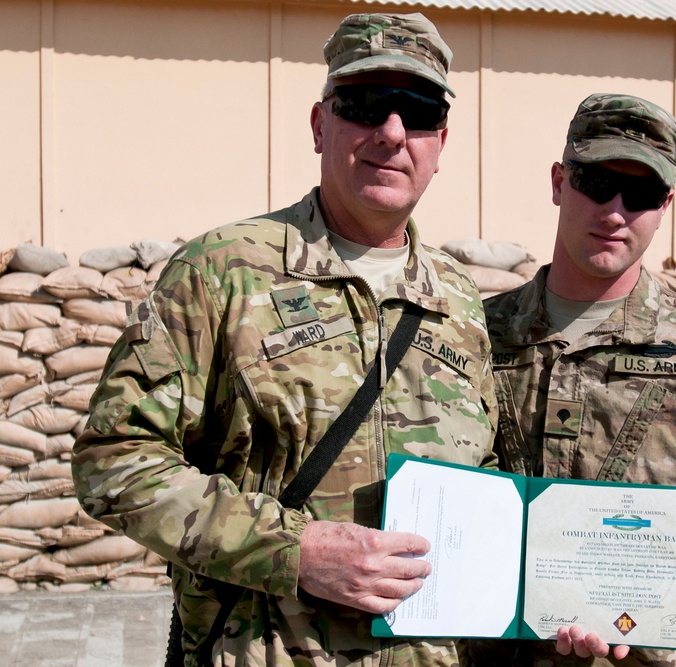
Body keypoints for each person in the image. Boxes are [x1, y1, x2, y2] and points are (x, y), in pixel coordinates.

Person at [72, 12, 497, 666]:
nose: (390, 132)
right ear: (320, 124)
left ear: (440, 140)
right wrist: (291, 550)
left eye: (415, 110)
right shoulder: (221, 273)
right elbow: (113, 459)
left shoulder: (459, 300)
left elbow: (484, 479)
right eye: (364, 104)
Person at [472, 93, 676, 666]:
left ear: (666, 203)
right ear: (558, 181)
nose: (616, 210)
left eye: (641, 193)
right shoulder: (477, 337)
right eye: (596, 182)